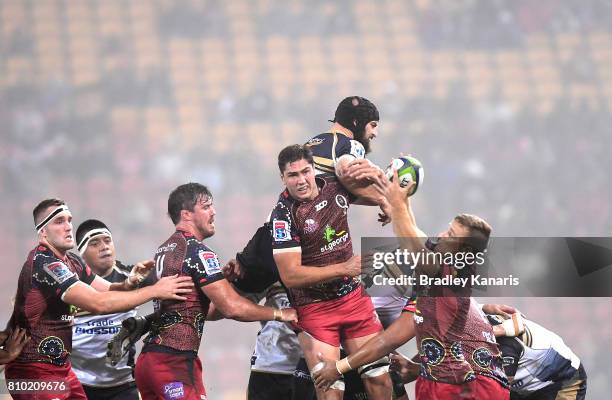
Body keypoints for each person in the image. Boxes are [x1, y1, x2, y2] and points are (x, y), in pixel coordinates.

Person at [5, 198, 194, 400]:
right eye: (59, 221)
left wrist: (129, 283)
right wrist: (155, 290)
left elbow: (109, 290)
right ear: (42, 232)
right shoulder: (45, 264)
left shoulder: (73, 261)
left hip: (64, 370)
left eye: (69, 220)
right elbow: (99, 303)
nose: (68, 226)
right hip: (35, 370)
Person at [134, 183, 298, 400]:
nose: (214, 212)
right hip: (174, 363)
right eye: (206, 207)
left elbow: (203, 310)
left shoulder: (165, 249)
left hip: (148, 361)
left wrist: (224, 281)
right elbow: (231, 308)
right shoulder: (198, 252)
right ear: (186, 214)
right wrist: (279, 314)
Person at [270, 144, 392, 400]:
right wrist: (344, 268)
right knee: (330, 388)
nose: (302, 180)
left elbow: (371, 192)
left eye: (306, 171)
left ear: (314, 169)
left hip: (353, 299)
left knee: (379, 379)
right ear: (282, 178)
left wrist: (383, 200)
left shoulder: (334, 185)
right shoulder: (283, 216)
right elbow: (290, 275)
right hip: (315, 308)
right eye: (293, 175)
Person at [71, 219, 140, 400]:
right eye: (94, 243)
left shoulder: (134, 277)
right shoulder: (68, 285)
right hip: (78, 384)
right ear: (82, 253)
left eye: (107, 241)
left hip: (123, 385)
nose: (104, 247)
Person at [485, 312, 587, 400]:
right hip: (526, 385)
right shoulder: (478, 318)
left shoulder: (505, 345)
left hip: (563, 381)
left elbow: (500, 393)